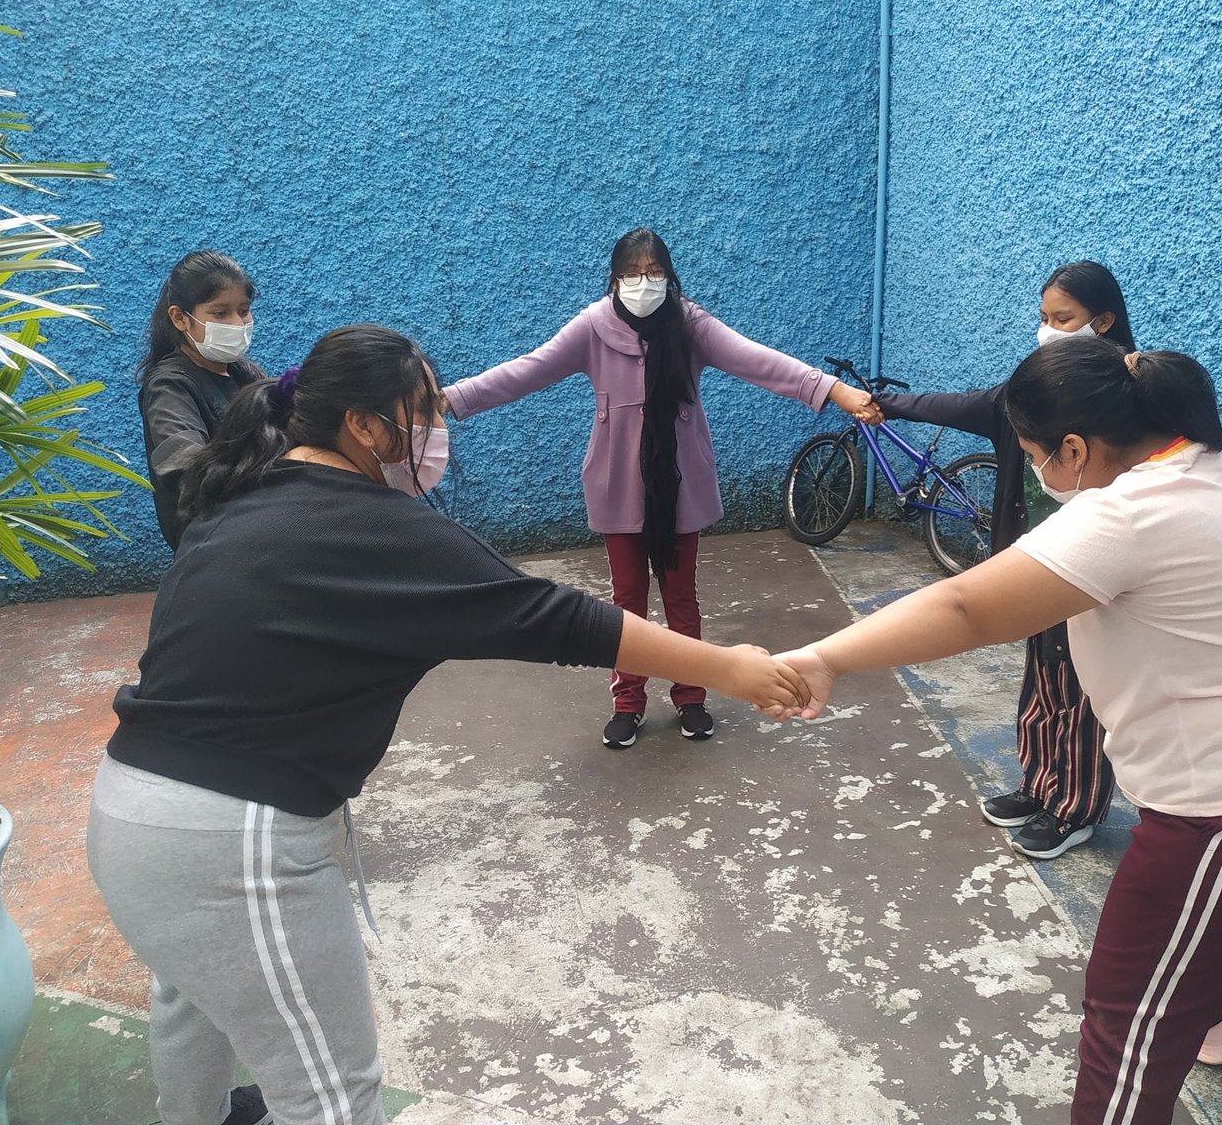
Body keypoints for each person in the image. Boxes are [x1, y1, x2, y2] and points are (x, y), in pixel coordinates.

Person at [87, 324, 805, 1125]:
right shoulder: (380, 530)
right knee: (331, 1093)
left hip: (127, 816)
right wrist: (731, 668)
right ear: (363, 426)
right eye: (421, 411)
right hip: (229, 845)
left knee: (192, 995)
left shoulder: (244, 492)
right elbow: (554, 616)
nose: (436, 430)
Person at [774, 338, 1222, 1123]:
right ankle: (1199, 1007)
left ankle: (1179, 1010)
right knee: (1187, 962)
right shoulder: (1207, 463)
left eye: (1035, 458)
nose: (1040, 477)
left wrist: (822, 658)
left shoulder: (1130, 512)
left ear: (1076, 450)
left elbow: (966, 607)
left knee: (1123, 1032)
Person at [444, 227, 877, 749]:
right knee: (625, 602)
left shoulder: (691, 325)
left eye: (654, 272)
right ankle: (627, 702)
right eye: (632, 272)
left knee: (680, 597)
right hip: (618, 483)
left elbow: (758, 359)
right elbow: (526, 371)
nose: (643, 283)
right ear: (614, 279)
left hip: (680, 484)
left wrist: (834, 390)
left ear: (669, 277)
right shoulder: (592, 327)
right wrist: (452, 398)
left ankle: (691, 696)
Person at [866, 260, 1130, 860]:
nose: (1048, 329)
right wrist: (891, 404)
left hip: (1091, 565)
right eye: (1043, 318)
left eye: (1062, 319)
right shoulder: (1030, 392)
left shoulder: (1120, 403)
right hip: (1031, 559)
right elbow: (964, 405)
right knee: (1041, 676)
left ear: (1104, 320)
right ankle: (1040, 787)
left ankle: (1077, 808)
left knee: (1082, 687)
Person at [136, 250, 263, 550]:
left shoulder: (246, 375)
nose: (237, 323)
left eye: (243, 311)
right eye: (220, 313)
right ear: (180, 318)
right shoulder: (170, 386)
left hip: (258, 526)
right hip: (211, 542)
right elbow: (185, 465)